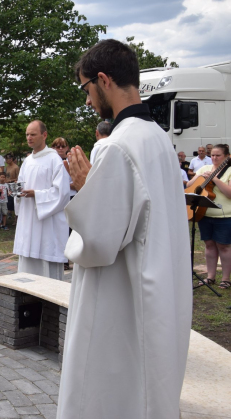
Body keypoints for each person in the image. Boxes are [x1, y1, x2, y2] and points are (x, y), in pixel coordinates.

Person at [60, 38, 191, 419]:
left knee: (105, 390)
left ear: (103, 80)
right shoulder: (159, 139)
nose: (87, 101)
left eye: (86, 89)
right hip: (160, 283)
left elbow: (101, 242)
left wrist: (85, 192)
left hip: (119, 294)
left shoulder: (115, 146)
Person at [13, 120, 70, 280]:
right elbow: (21, 184)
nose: (29, 138)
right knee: (27, 272)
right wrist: (18, 193)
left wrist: (36, 194)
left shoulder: (54, 160)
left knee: (46, 268)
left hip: (47, 225)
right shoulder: (27, 161)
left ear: (44, 135)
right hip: (29, 221)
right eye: (27, 135)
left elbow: (62, 193)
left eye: (33, 134)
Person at [186, 144, 231, 289]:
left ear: (226, 157)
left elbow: (229, 194)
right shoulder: (204, 168)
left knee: (224, 246)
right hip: (204, 213)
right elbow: (189, 185)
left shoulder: (229, 170)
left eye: (218, 155)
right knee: (209, 245)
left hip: (224, 215)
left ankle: (225, 278)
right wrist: (199, 176)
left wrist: (216, 179)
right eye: (212, 155)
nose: (214, 158)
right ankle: (210, 276)